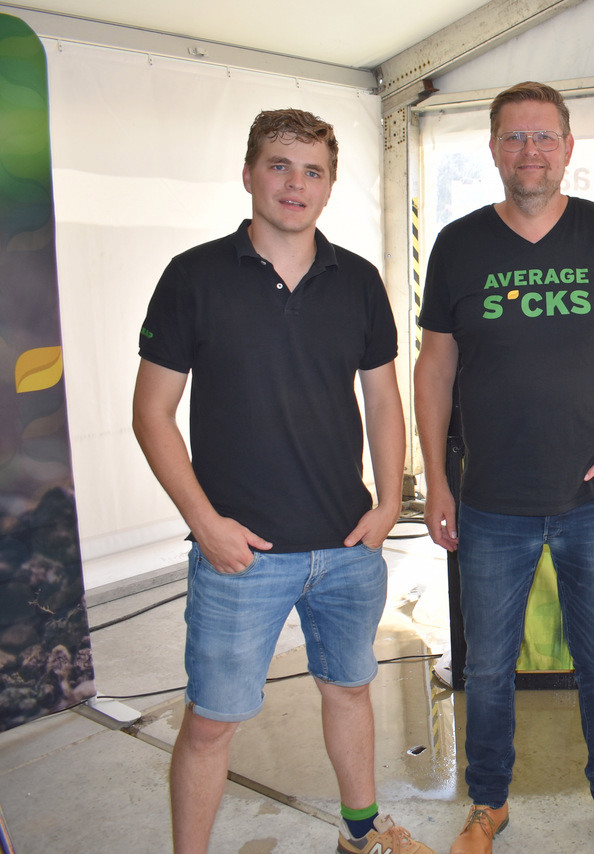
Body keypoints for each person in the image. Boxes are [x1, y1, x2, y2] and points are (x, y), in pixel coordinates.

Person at [414, 82, 594, 854]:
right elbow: (434, 368)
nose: (530, 151)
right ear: (493, 149)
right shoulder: (459, 246)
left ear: (569, 149)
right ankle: (488, 805)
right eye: (514, 137)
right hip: (490, 502)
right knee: (488, 669)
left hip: (590, 498)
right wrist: (435, 479)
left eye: (544, 137)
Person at [132, 109, 433, 854]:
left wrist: (388, 502)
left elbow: (382, 399)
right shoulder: (194, 277)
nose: (295, 185)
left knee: (349, 689)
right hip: (242, 553)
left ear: (328, 186)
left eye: (312, 172)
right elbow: (152, 413)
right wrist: (206, 525)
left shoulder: (357, 281)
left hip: (347, 546)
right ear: (248, 174)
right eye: (279, 165)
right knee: (212, 723)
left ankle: (361, 833)